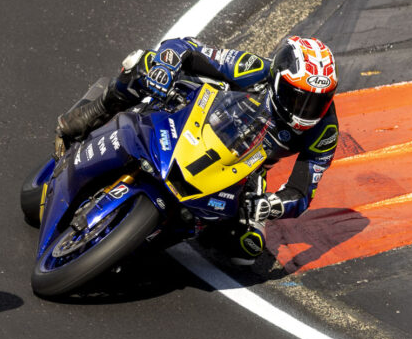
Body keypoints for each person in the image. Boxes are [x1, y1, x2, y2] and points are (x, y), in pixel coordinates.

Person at [54, 35, 339, 266]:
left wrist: (270, 205)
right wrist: (167, 67)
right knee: (142, 63)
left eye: (318, 101)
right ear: (277, 80)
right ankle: (93, 112)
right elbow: (184, 48)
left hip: (247, 165)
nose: (307, 111)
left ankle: (162, 234)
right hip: (198, 115)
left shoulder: (324, 132)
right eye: (297, 97)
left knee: (247, 249)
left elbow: (301, 194)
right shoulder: (253, 68)